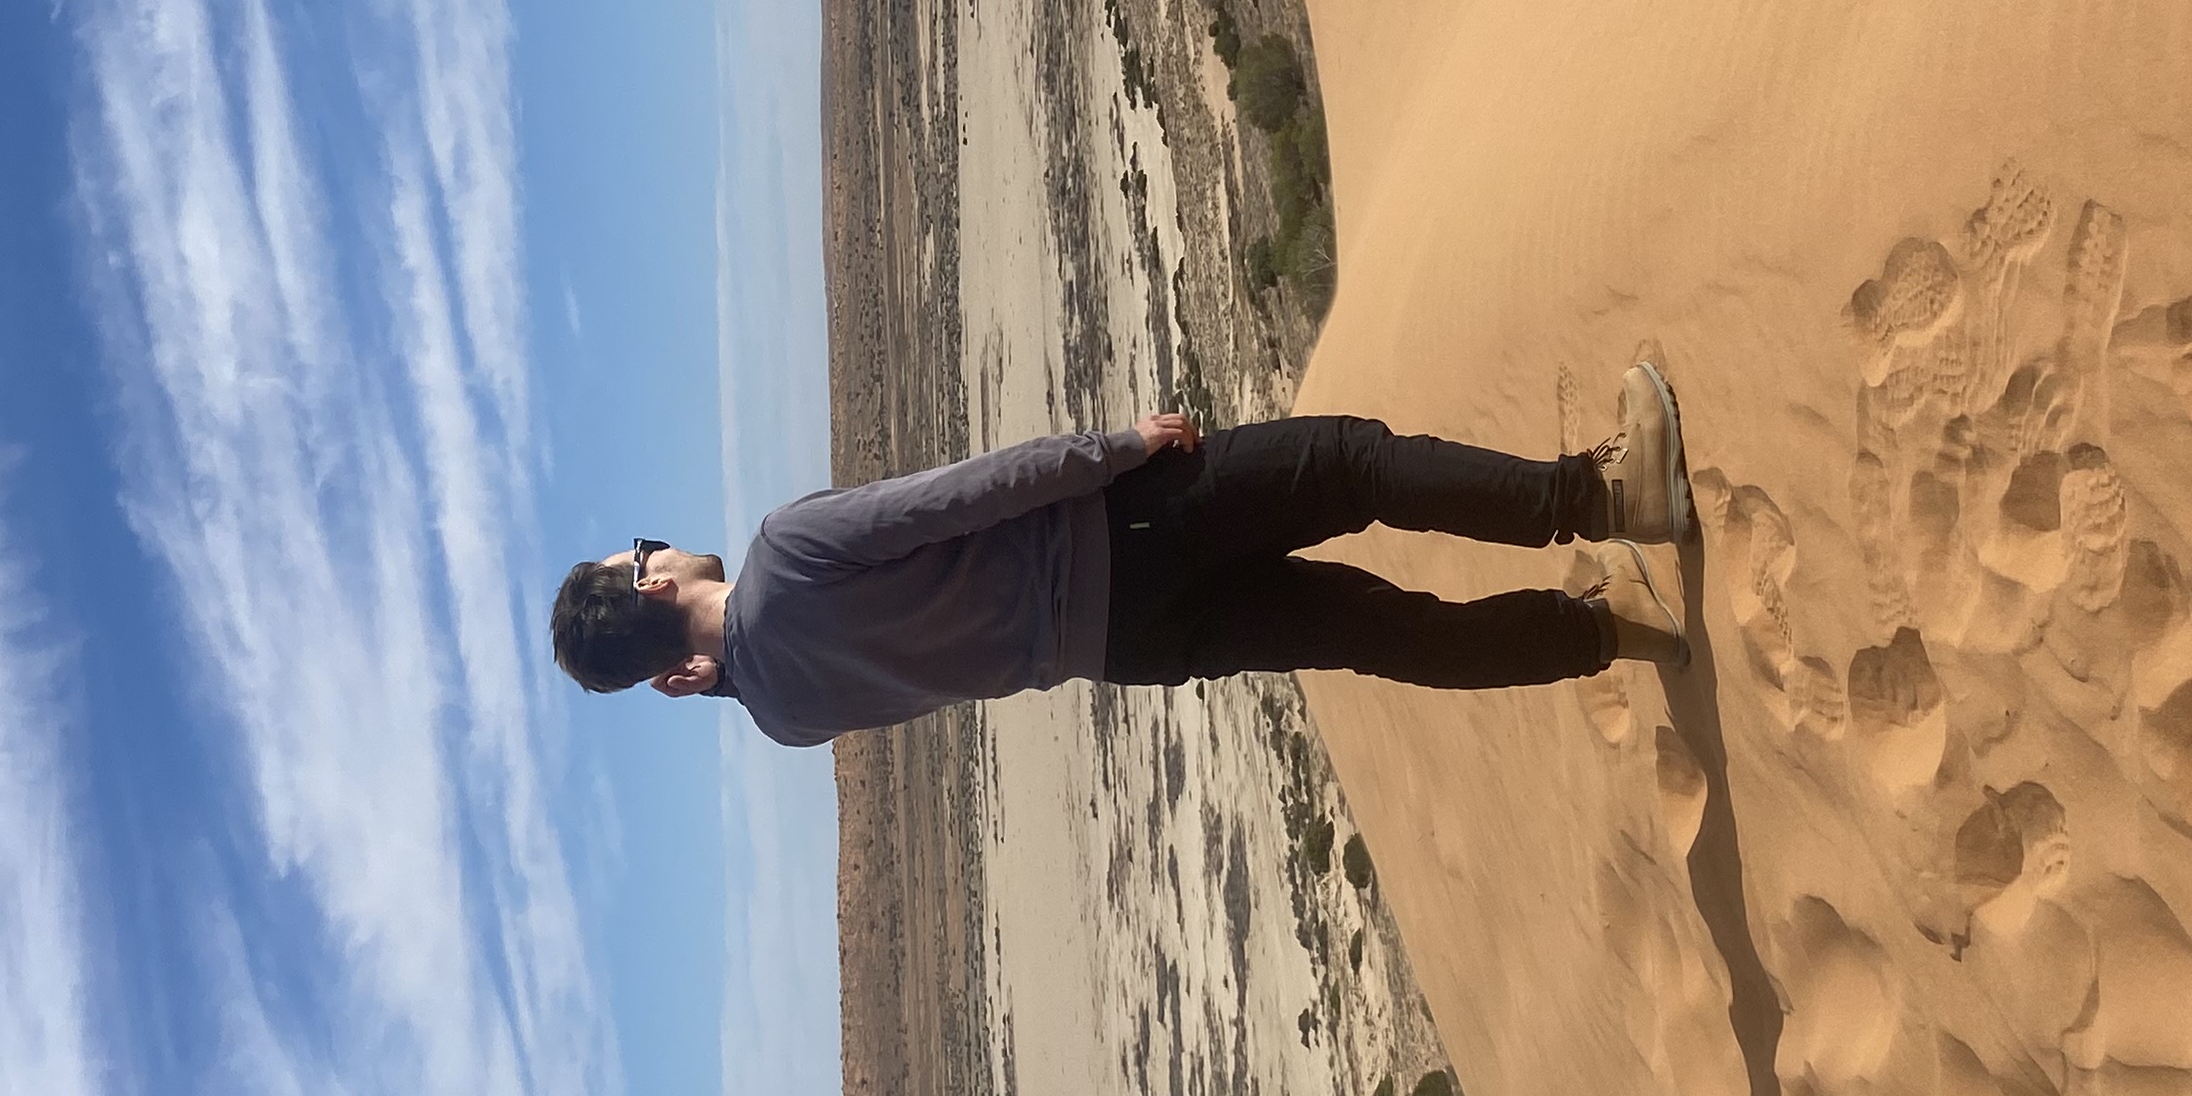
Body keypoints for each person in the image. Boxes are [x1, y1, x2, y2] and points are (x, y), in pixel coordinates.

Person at [549, 364, 1697, 749]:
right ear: (652, 580)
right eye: (644, 546)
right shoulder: (779, 553)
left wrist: (715, 678)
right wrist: (1116, 448)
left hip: (1125, 647)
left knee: (1378, 633)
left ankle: (1601, 631)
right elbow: (963, 496)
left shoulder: (779, 714)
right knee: (1355, 465)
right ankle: (1599, 497)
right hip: (1126, 533)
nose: (662, 543)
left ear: (668, 675)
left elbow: (842, 662)